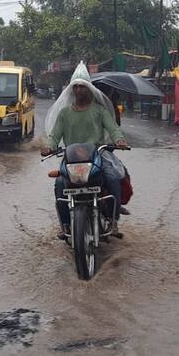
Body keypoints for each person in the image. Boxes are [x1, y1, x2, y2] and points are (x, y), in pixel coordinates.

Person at [42, 80, 129, 238]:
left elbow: (113, 128)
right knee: (60, 184)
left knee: (112, 178)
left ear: (90, 89)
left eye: (82, 86)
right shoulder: (65, 113)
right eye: (76, 87)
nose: (79, 90)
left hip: (96, 156)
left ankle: (113, 220)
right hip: (71, 158)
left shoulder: (99, 111)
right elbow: (54, 136)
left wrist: (120, 140)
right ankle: (66, 225)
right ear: (72, 90)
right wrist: (49, 146)